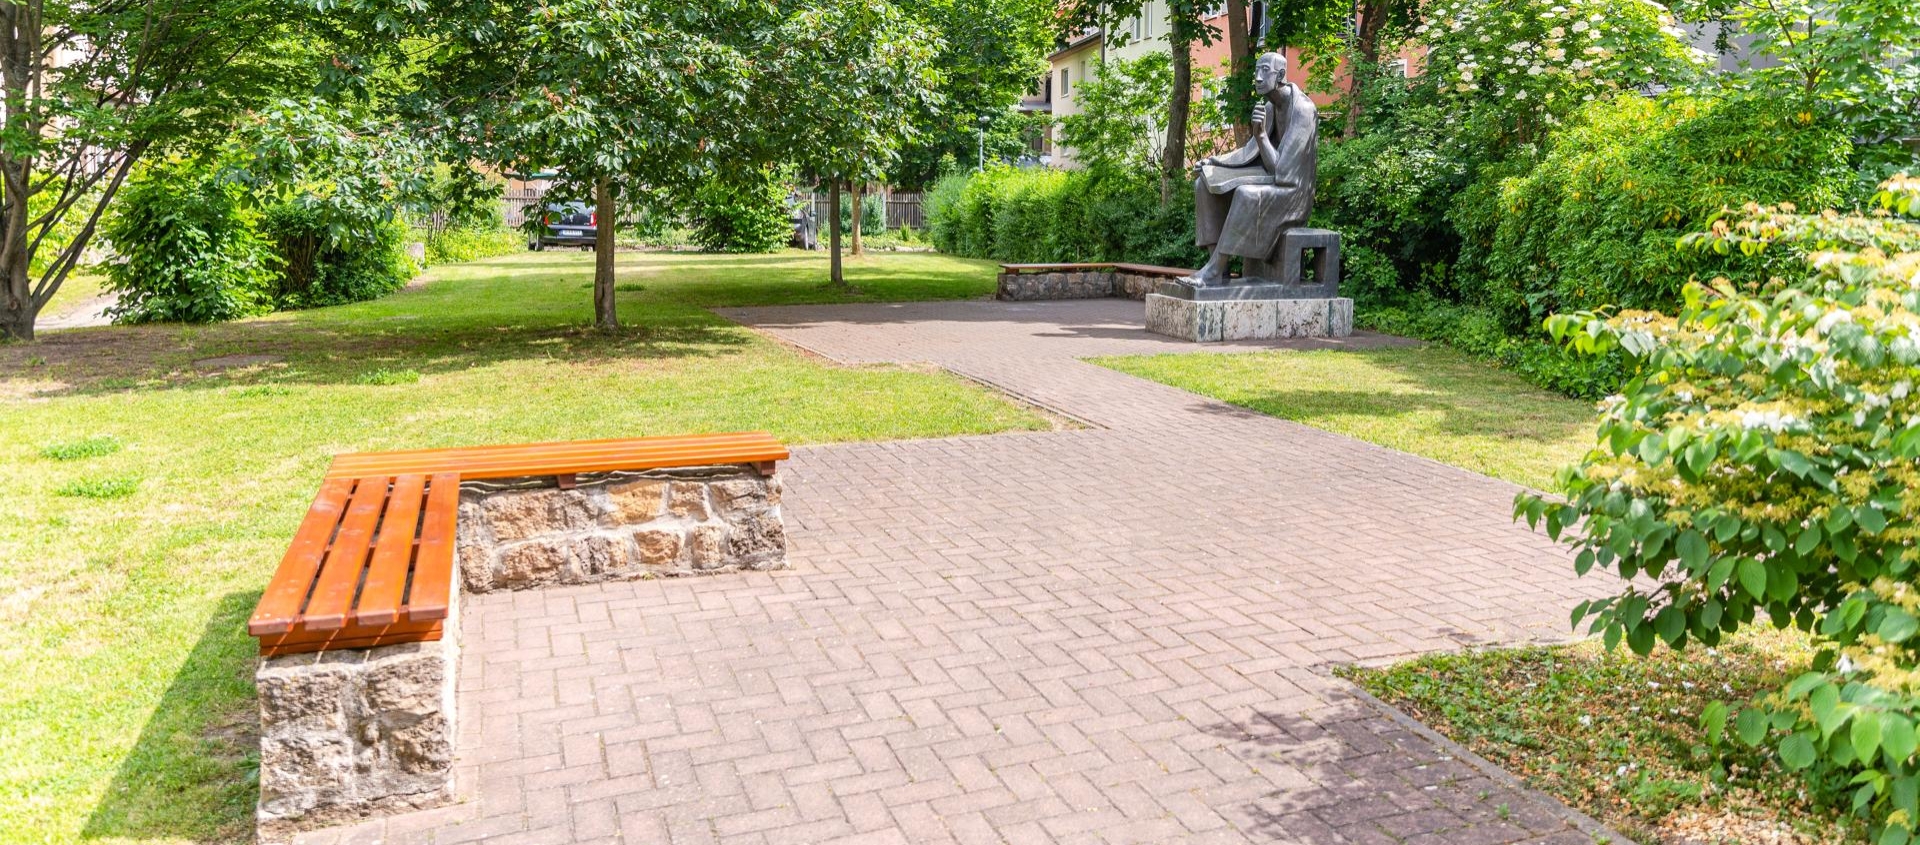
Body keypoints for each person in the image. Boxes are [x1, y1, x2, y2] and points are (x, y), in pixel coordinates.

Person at [1187, 52, 1317, 287]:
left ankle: (1213, 270)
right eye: (1256, 70)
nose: (1257, 77)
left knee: (1246, 193)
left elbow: (1282, 172)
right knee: (1203, 185)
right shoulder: (1270, 106)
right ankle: (1219, 269)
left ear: (1280, 75)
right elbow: (1248, 152)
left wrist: (1261, 135)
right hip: (1273, 181)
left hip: (1293, 194)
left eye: (1264, 70)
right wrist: (1214, 162)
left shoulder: (1303, 111)